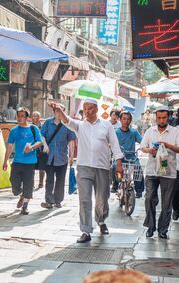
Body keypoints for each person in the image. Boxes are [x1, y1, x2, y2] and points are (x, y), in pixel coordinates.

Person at [51, 99, 124, 243]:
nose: (86, 111)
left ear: (96, 110)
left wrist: (119, 163)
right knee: (84, 199)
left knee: (102, 197)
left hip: (102, 167)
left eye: (89, 108)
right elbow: (67, 121)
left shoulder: (106, 125)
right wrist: (60, 112)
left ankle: (101, 221)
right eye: (84, 109)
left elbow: (115, 144)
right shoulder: (80, 125)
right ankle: (85, 230)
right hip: (84, 167)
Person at [141, 107, 179, 239]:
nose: (161, 120)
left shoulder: (175, 132)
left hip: (169, 172)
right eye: (159, 118)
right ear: (156, 117)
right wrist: (150, 151)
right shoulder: (150, 131)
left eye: (164, 118)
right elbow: (143, 147)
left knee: (167, 203)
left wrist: (168, 145)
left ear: (168, 117)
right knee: (149, 199)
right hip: (152, 171)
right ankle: (150, 226)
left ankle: (163, 229)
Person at [3, 107, 43, 215]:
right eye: (18, 116)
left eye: (22, 116)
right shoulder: (14, 130)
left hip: (30, 162)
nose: (20, 118)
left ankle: (25, 206)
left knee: (28, 185)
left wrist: (31, 147)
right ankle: (21, 194)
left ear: (27, 118)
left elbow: (40, 142)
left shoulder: (33, 129)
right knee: (13, 181)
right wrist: (5, 161)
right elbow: (10, 147)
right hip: (17, 161)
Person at [40, 104, 76, 209]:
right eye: (57, 111)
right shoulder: (47, 122)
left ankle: (58, 200)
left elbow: (71, 140)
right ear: (54, 112)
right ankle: (49, 201)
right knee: (49, 179)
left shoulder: (67, 124)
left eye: (61, 111)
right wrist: (45, 145)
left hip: (62, 157)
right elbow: (42, 135)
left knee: (60, 180)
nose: (59, 113)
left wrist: (71, 155)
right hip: (49, 156)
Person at [112, 111, 144, 198]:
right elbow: (111, 143)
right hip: (120, 157)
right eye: (124, 119)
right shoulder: (116, 132)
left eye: (128, 119)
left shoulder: (134, 132)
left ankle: (139, 190)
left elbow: (142, 141)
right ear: (120, 120)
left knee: (138, 169)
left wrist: (145, 146)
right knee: (115, 167)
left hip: (132, 157)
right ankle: (116, 184)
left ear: (131, 120)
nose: (126, 121)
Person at [31, 111, 45, 189]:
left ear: (39, 117)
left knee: (42, 166)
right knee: (31, 166)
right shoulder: (30, 127)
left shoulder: (43, 126)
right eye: (33, 116)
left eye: (36, 116)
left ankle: (41, 183)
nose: (34, 118)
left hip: (41, 148)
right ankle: (31, 183)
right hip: (32, 148)